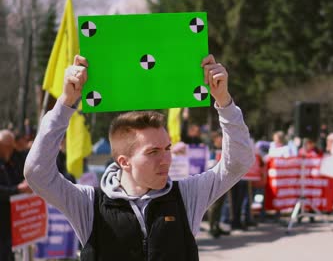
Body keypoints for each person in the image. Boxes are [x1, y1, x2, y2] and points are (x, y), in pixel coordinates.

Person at [24, 54, 254, 260]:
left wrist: (224, 101)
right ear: (124, 162)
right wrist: (65, 104)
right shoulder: (88, 204)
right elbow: (37, 173)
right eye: (153, 152)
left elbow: (238, 163)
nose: (166, 160)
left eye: (167, 149)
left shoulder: (186, 195)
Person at [0, 130, 32, 261]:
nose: (11, 151)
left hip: (8, 221)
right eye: (8, 147)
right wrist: (17, 189)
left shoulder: (8, 161)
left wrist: (23, 185)